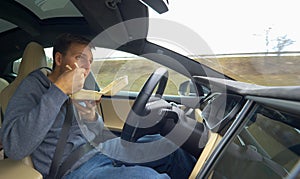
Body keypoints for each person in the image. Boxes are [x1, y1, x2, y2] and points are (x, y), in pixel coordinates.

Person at [1, 33, 196, 178]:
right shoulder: (32, 87)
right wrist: (59, 90)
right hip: (75, 168)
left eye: (90, 62)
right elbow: (15, 147)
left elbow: (99, 133)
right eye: (80, 59)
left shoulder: (80, 88)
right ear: (59, 59)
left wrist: (91, 117)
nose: (86, 68)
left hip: (103, 148)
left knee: (170, 149)